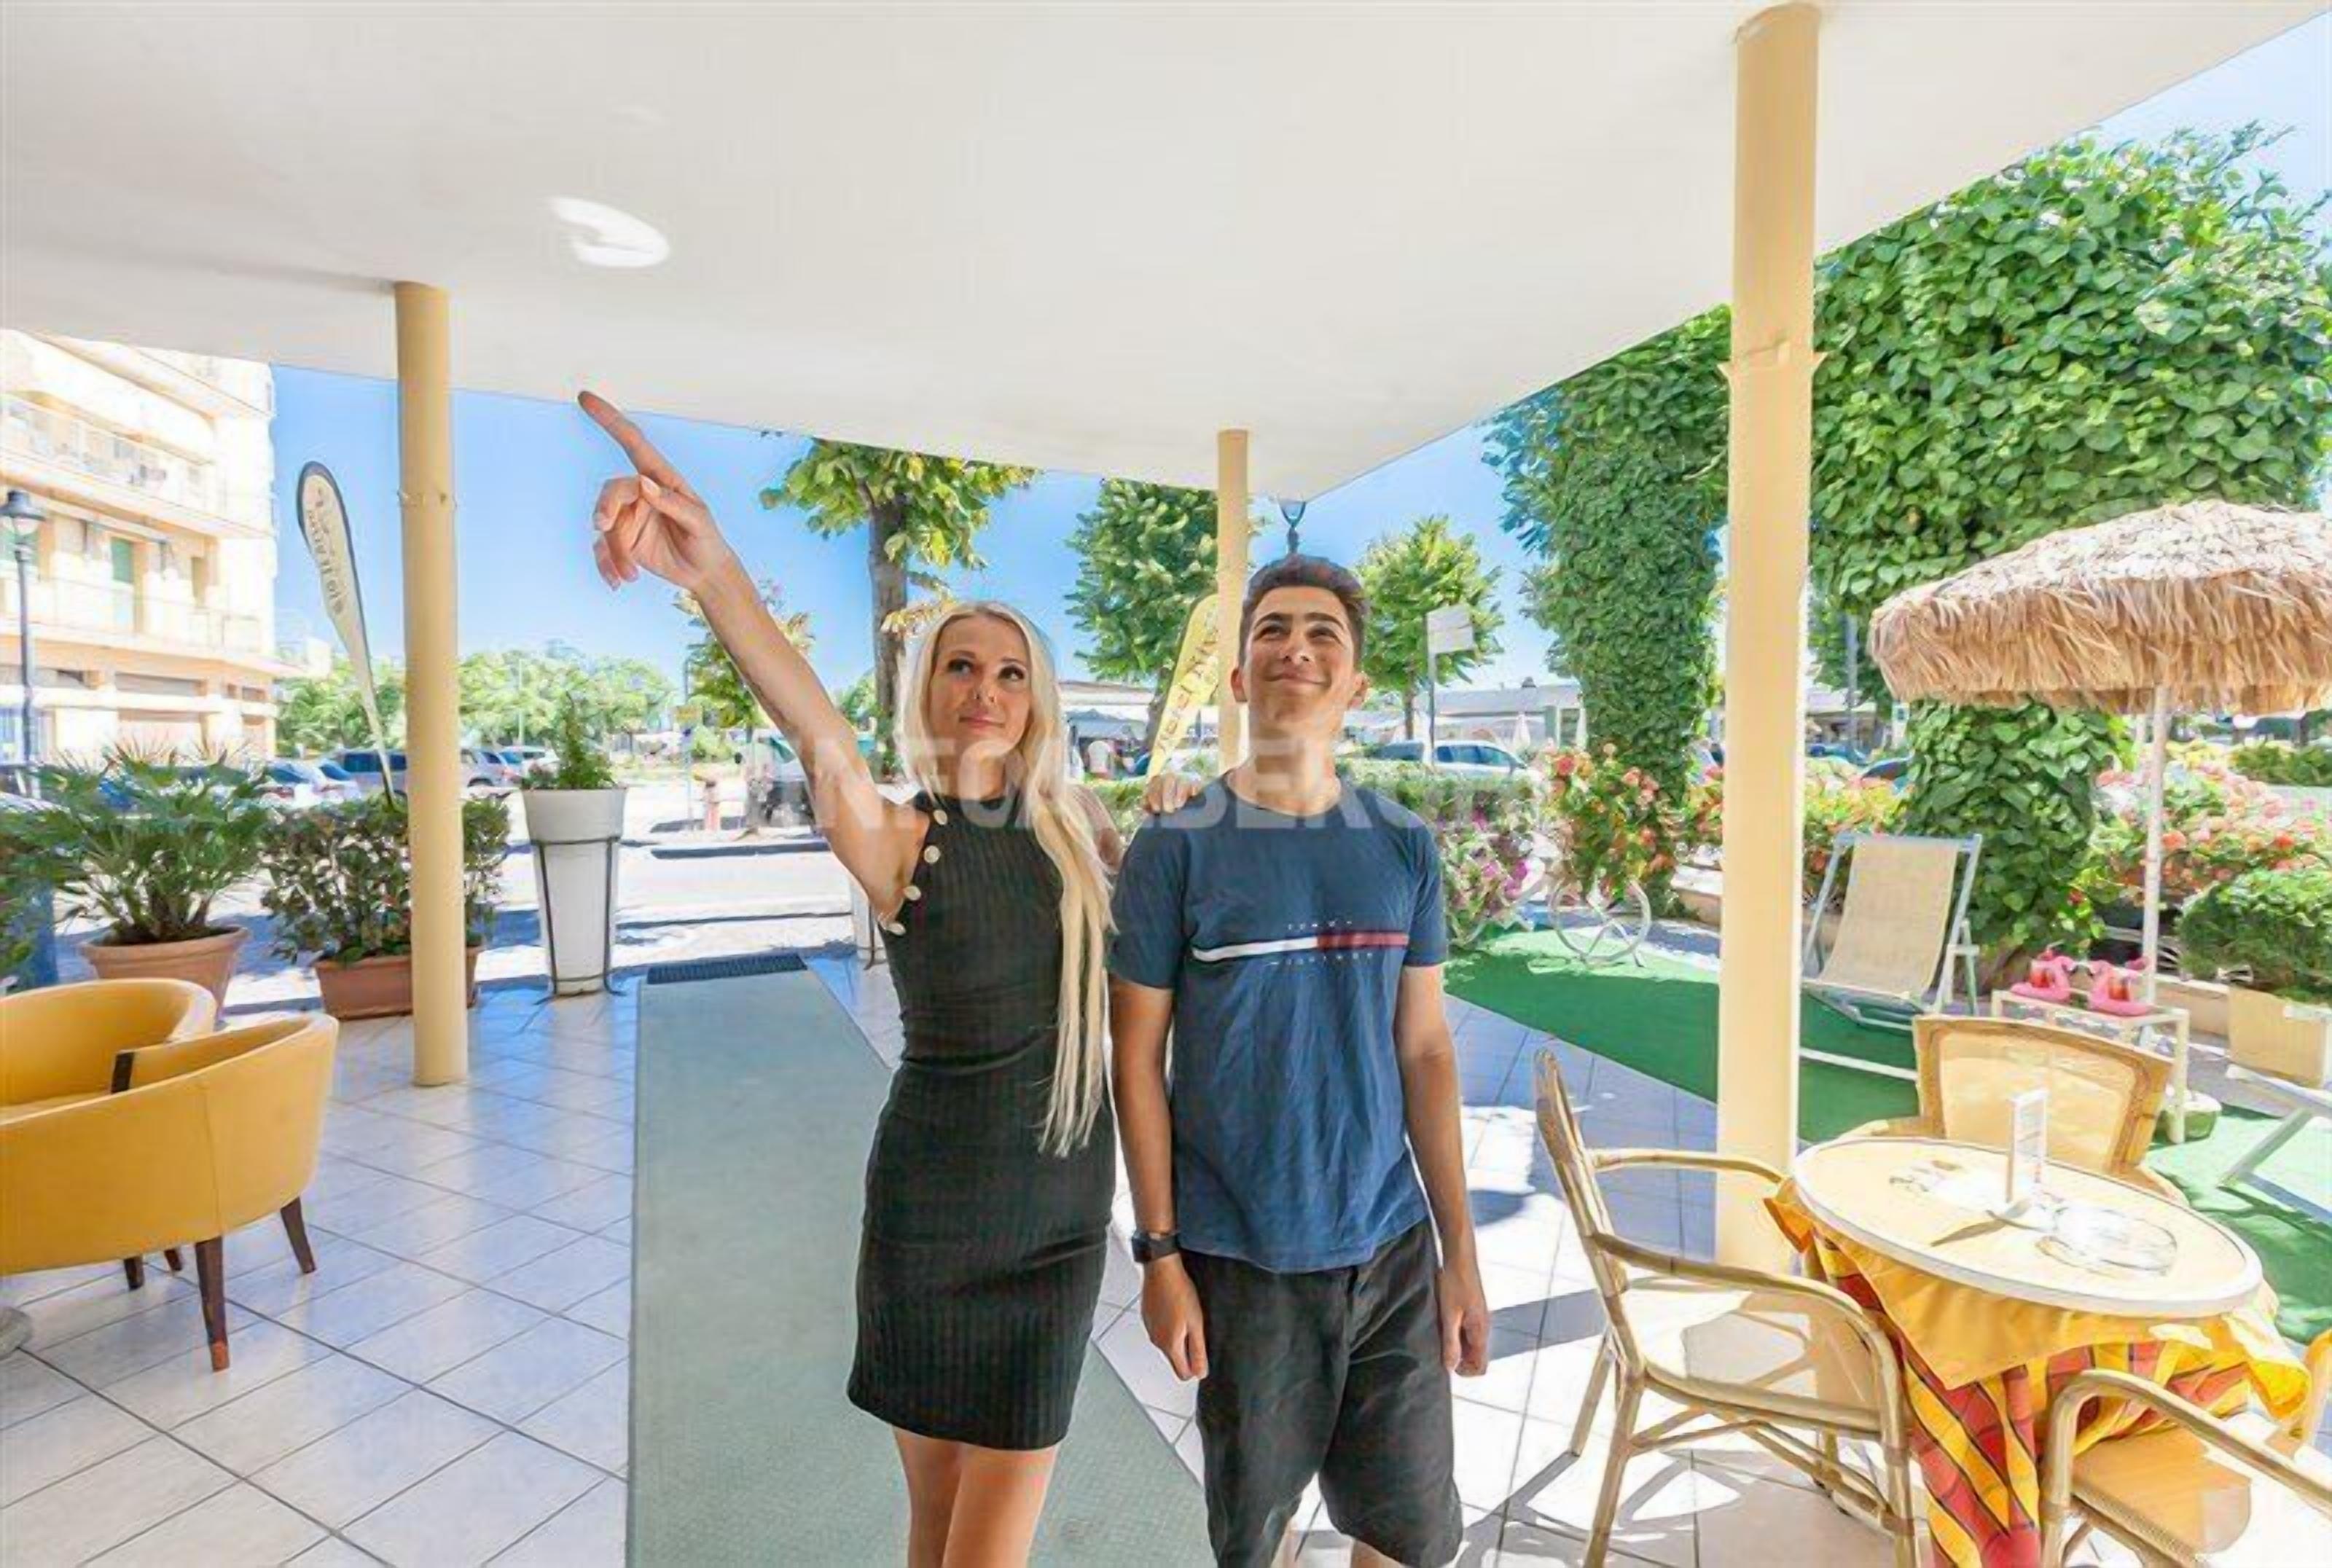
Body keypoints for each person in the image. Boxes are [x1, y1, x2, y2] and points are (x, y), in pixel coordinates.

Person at [579, 392, 1124, 1568]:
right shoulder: (898, 839)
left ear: (1039, 701)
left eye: (1011, 672)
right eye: (961, 666)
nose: (986, 688)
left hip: (1059, 1227)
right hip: (931, 1219)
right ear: (927, 692)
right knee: (934, 1518)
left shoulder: (1083, 832)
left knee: (988, 1542)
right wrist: (713, 572)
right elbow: (807, 718)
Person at [1109, 554, 1490, 1568]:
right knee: (1258, 1535)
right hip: (1242, 1259)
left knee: (1406, 1536)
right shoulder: (1176, 848)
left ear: (1356, 684)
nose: (1298, 648)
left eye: (1325, 633)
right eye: (1273, 629)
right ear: (1240, 677)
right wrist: (1159, 1254)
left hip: (1391, 1246)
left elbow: (1425, 1049)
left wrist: (1460, 1254)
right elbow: (1135, 1061)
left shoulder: (1404, 845)